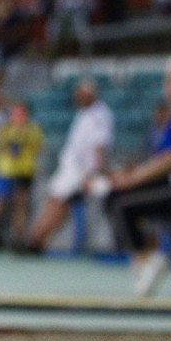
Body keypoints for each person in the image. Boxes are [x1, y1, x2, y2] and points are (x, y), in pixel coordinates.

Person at [102, 47, 171, 296]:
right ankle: (146, 260)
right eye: (169, 79)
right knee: (114, 197)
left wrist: (131, 180)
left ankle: (147, 262)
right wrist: (127, 176)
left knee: (122, 203)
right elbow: (159, 158)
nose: (169, 86)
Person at [25, 77, 114, 252]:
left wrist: (98, 171)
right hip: (70, 168)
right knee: (55, 203)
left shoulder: (99, 115)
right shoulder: (84, 113)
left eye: (83, 93)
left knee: (57, 202)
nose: (78, 97)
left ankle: (36, 240)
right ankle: (37, 240)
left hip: (81, 171)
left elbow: (99, 145)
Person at [0, 102, 43, 251]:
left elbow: (38, 145)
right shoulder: (5, 129)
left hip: (24, 170)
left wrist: (23, 135)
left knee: (20, 205)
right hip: (5, 170)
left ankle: (18, 237)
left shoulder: (33, 129)